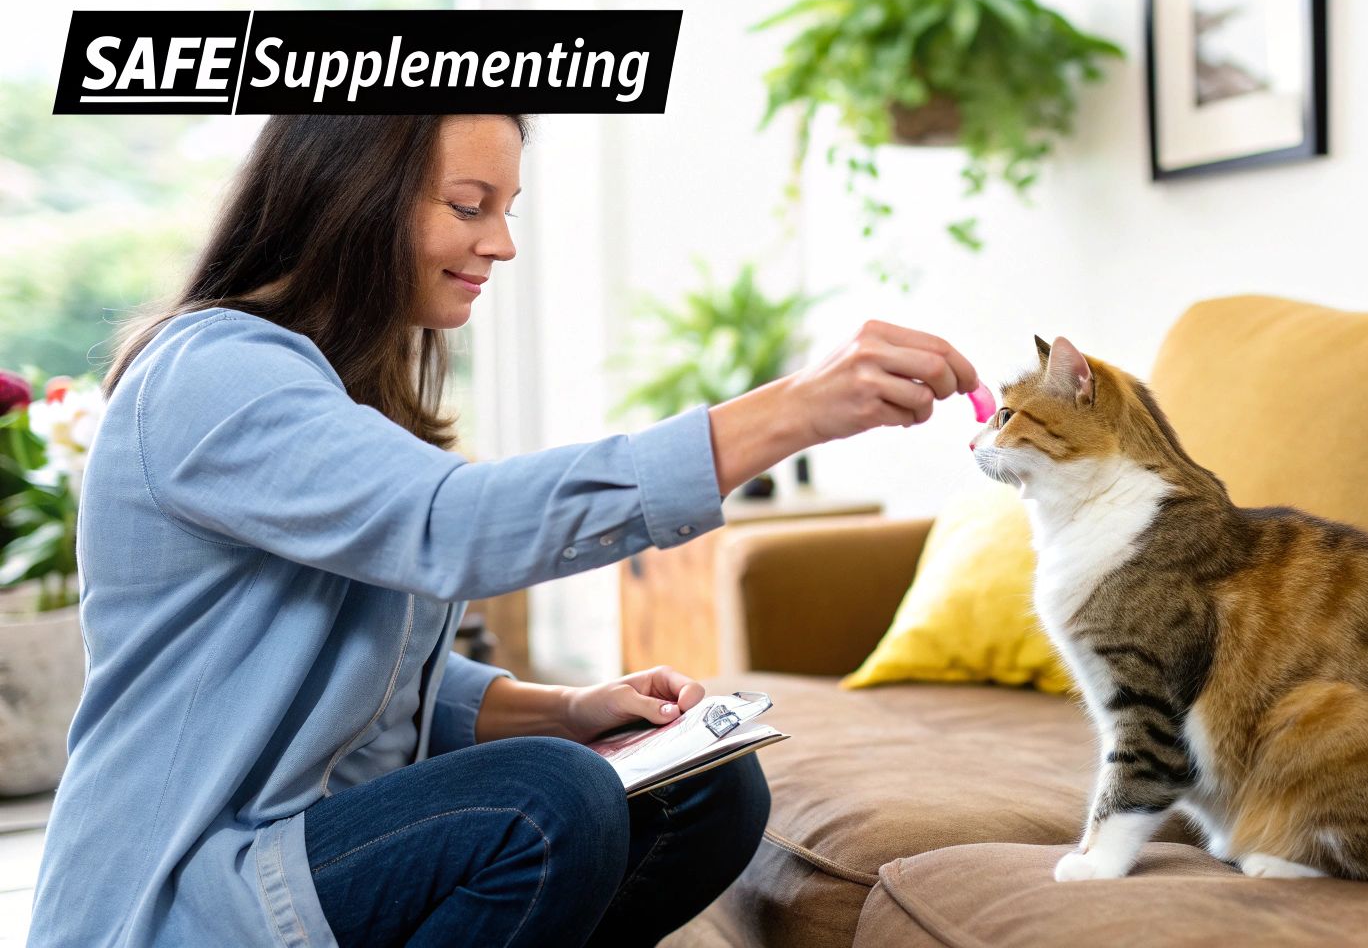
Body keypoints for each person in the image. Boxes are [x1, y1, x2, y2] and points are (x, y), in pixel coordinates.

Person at [27, 114, 979, 948]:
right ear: (352, 200)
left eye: (506, 209)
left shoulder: (338, 394)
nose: (502, 244)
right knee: (546, 802)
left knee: (705, 789)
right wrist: (794, 412)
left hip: (316, 850)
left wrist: (569, 709)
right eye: (470, 204)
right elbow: (454, 527)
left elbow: (378, 675)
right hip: (188, 894)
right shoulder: (216, 373)